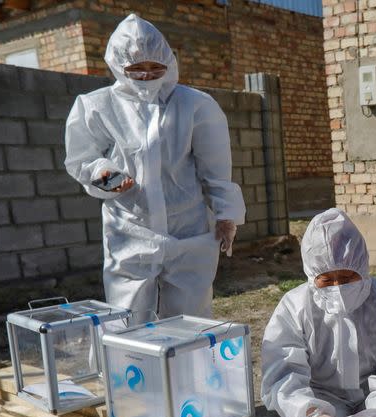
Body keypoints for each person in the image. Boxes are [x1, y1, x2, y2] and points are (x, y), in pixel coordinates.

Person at [64, 14, 245, 319]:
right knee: (126, 318)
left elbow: (215, 168)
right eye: (136, 69)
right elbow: (82, 158)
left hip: (188, 229)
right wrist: (104, 174)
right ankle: (132, 367)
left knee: (192, 318)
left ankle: (188, 367)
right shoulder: (96, 106)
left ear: (168, 63)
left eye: (155, 67)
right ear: (120, 66)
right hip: (129, 229)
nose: (147, 76)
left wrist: (227, 216)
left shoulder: (195, 105)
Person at [261, 209, 376, 417]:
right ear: (312, 275)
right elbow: (283, 377)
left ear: (362, 267)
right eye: (327, 279)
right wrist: (315, 416)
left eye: (348, 276)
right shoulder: (295, 306)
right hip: (320, 403)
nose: (338, 287)